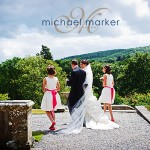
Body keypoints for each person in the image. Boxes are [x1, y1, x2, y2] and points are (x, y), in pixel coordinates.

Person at [56, 60, 119, 134]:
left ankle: (79, 120)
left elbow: (82, 83)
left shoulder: (84, 71)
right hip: (85, 91)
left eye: (81, 64)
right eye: (80, 64)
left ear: (84, 64)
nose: (80, 65)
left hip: (84, 91)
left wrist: (67, 81)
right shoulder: (84, 71)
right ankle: (82, 120)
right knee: (103, 104)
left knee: (77, 105)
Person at [41, 65, 61, 130]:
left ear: (47, 71)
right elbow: (58, 88)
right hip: (55, 94)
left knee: (47, 110)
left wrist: (47, 88)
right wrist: (54, 89)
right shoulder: (56, 79)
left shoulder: (45, 79)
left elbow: (43, 90)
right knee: (52, 110)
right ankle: (53, 125)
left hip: (48, 95)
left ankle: (53, 122)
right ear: (54, 71)